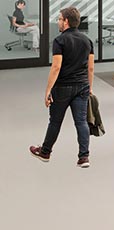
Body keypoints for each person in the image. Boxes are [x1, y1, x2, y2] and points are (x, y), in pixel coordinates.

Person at [29, 7, 94, 168]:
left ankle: (45, 152)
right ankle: (84, 157)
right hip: (82, 86)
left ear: (66, 21)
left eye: (59, 19)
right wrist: (89, 88)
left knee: (55, 121)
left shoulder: (60, 41)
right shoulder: (88, 41)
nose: (58, 21)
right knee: (81, 122)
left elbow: (56, 67)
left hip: (63, 87)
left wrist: (48, 90)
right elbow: (90, 68)